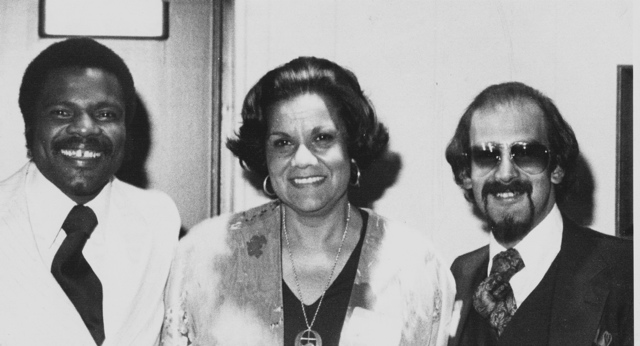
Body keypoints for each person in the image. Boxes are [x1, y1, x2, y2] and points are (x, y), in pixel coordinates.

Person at [161, 57, 455, 345]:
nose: (302, 159)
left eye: (322, 138)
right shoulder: (205, 255)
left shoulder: (414, 266)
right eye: (283, 143)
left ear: (351, 146)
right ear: (264, 154)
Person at [0, 38, 181, 345]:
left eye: (106, 114)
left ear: (126, 129)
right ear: (30, 127)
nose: (85, 129)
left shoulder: (159, 218)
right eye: (61, 113)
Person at [444, 82, 633, 345]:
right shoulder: (456, 278)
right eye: (487, 156)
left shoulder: (626, 270)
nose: (506, 173)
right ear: (467, 174)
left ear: (556, 168)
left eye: (525, 154)